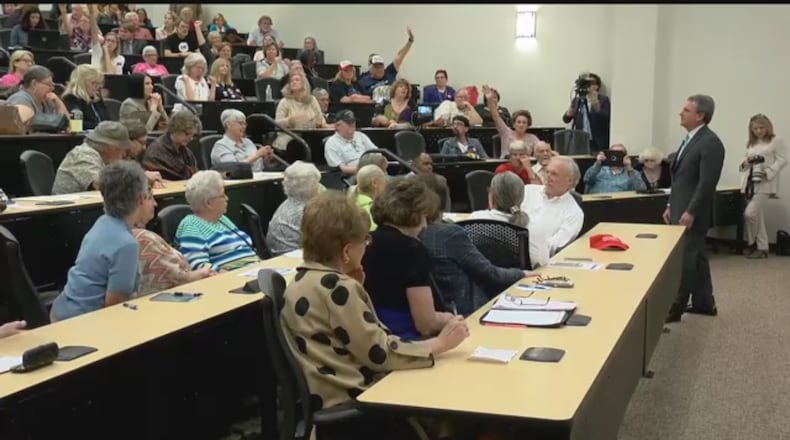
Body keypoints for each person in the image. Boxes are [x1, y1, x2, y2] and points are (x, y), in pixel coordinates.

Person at [279, 190, 469, 436]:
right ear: (347, 251)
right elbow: (378, 352)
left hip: (329, 391)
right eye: (365, 241)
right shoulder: (338, 289)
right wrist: (438, 344)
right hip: (358, 400)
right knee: (454, 406)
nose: (367, 246)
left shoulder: (302, 280)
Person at [50, 161, 154, 321]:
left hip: (61, 310)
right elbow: (116, 308)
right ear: (141, 198)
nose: (153, 202)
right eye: (149, 195)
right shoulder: (126, 244)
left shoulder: (102, 222)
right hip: (82, 323)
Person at [419, 173, 531, 315]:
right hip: (466, 312)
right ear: (446, 200)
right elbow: (489, 274)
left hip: (430, 311)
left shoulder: (408, 233)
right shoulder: (450, 235)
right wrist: (521, 273)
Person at [363, 177, 453, 340]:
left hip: (372, 336)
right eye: (424, 216)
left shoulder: (364, 242)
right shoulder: (412, 250)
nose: (425, 225)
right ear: (414, 213)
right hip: (407, 340)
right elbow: (426, 324)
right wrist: (450, 319)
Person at [663, 95, 725, 322]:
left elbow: (707, 183)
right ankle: (704, 303)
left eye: (686, 110)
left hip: (693, 211)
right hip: (680, 207)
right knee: (697, 257)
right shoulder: (689, 140)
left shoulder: (710, 142)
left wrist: (690, 211)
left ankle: (675, 308)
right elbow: (680, 178)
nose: (681, 113)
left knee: (686, 259)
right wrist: (670, 204)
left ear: (700, 116)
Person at [176, 170, 259, 271]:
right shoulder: (191, 225)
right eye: (223, 195)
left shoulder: (222, 219)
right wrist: (227, 276)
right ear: (208, 203)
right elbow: (198, 265)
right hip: (230, 279)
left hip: (252, 270)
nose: (227, 199)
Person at [469, 171, 551, 268]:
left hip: (482, 280)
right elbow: (542, 265)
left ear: (492, 196)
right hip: (520, 281)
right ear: (522, 197)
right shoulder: (535, 227)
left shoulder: (475, 220)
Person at [739, 114, 788, 259]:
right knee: (757, 215)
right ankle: (763, 247)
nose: (758, 131)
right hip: (749, 182)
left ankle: (751, 243)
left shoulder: (775, 141)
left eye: (761, 127)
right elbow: (743, 164)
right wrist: (746, 163)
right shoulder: (751, 143)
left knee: (750, 213)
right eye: (755, 128)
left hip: (765, 182)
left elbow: (783, 160)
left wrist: (768, 172)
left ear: (767, 127)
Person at [521, 156, 584, 256]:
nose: (548, 177)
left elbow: (553, 248)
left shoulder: (574, 213)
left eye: (554, 174)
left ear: (570, 181)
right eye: (547, 172)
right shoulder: (527, 191)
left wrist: (523, 248)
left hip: (535, 263)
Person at [52, 121, 134, 195]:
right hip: (68, 209)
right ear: (109, 147)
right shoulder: (83, 155)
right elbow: (100, 185)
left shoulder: (100, 158)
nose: (124, 155)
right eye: (122, 149)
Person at [265, 161, 322, 256]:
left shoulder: (287, 203)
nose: (319, 186)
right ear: (311, 186)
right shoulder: (307, 211)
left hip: (278, 256)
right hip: (294, 260)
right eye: (317, 183)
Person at [272, 73, 331, 150]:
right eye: (291, 81)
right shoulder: (285, 101)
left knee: (321, 142)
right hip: (290, 135)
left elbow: (321, 120)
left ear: (304, 83)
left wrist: (318, 122)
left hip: (310, 134)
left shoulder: (312, 100)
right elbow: (277, 124)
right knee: (298, 144)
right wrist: (290, 120)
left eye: (297, 80)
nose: (293, 82)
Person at [142, 110, 201, 181]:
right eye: (187, 133)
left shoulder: (186, 152)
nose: (190, 138)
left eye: (193, 135)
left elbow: (194, 173)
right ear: (176, 128)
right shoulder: (155, 151)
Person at [482, 85, 540, 157]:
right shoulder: (506, 133)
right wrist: (490, 100)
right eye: (519, 122)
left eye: (524, 122)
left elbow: (542, 149)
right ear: (514, 124)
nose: (521, 125)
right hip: (506, 164)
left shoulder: (532, 138)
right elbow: (496, 117)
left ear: (528, 125)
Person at [359, 27, 414, 98]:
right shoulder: (363, 81)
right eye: (376, 67)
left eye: (381, 66)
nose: (379, 69)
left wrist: (410, 40)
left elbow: (400, 56)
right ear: (370, 68)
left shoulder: (389, 72)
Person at [211, 108, 275, 171]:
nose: (244, 126)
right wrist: (257, 155)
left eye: (245, 124)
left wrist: (267, 159)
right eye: (240, 123)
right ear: (228, 125)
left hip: (259, 178)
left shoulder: (248, 142)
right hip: (237, 180)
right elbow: (233, 169)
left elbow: (259, 167)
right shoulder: (221, 146)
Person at [561, 72, 611, 151]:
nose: (589, 86)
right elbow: (566, 119)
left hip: (598, 141)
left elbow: (607, 120)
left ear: (597, 86)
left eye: (591, 83)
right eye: (586, 83)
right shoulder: (577, 100)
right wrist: (569, 112)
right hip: (581, 141)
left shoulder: (603, 100)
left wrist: (596, 106)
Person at [324, 110, 378, 175]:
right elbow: (342, 169)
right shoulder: (331, 143)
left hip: (373, 171)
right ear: (338, 126)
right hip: (351, 177)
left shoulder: (360, 136)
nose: (352, 127)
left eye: (354, 123)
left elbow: (377, 153)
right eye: (349, 124)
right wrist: (365, 170)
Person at [61, 64, 111, 130]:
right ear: (81, 83)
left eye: (99, 83)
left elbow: (107, 120)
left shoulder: (97, 99)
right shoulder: (71, 98)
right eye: (93, 83)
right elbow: (79, 123)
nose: (98, 87)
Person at [350, 164, 388, 231]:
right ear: (375, 183)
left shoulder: (354, 200)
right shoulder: (369, 209)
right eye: (384, 178)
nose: (387, 182)